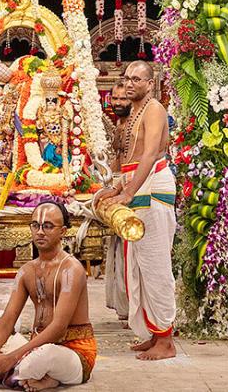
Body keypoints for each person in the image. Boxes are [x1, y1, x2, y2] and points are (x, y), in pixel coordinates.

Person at [0, 200, 96, 389]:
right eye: (35, 225)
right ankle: (5, 372)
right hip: (35, 346)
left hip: (72, 353)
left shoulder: (71, 269)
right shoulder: (26, 271)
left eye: (48, 226)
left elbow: (58, 328)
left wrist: (11, 357)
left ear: (63, 232)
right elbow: (8, 319)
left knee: (44, 356)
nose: (40, 231)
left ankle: (1, 372)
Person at [99, 61, 176, 361]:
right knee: (139, 268)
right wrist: (118, 188)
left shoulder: (154, 108)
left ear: (150, 82)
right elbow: (132, 159)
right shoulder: (135, 111)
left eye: (137, 79)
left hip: (153, 187)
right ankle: (153, 333)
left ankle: (166, 341)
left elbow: (150, 153)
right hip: (138, 185)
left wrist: (128, 192)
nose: (130, 84)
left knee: (155, 266)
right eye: (127, 78)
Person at [104, 79, 131, 321]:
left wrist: (119, 187)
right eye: (115, 98)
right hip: (118, 188)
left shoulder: (136, 124)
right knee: (118, 252)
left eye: (123, 99)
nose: (119, 103)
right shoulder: (120, 124)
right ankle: (125, 307)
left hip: (133, 191)